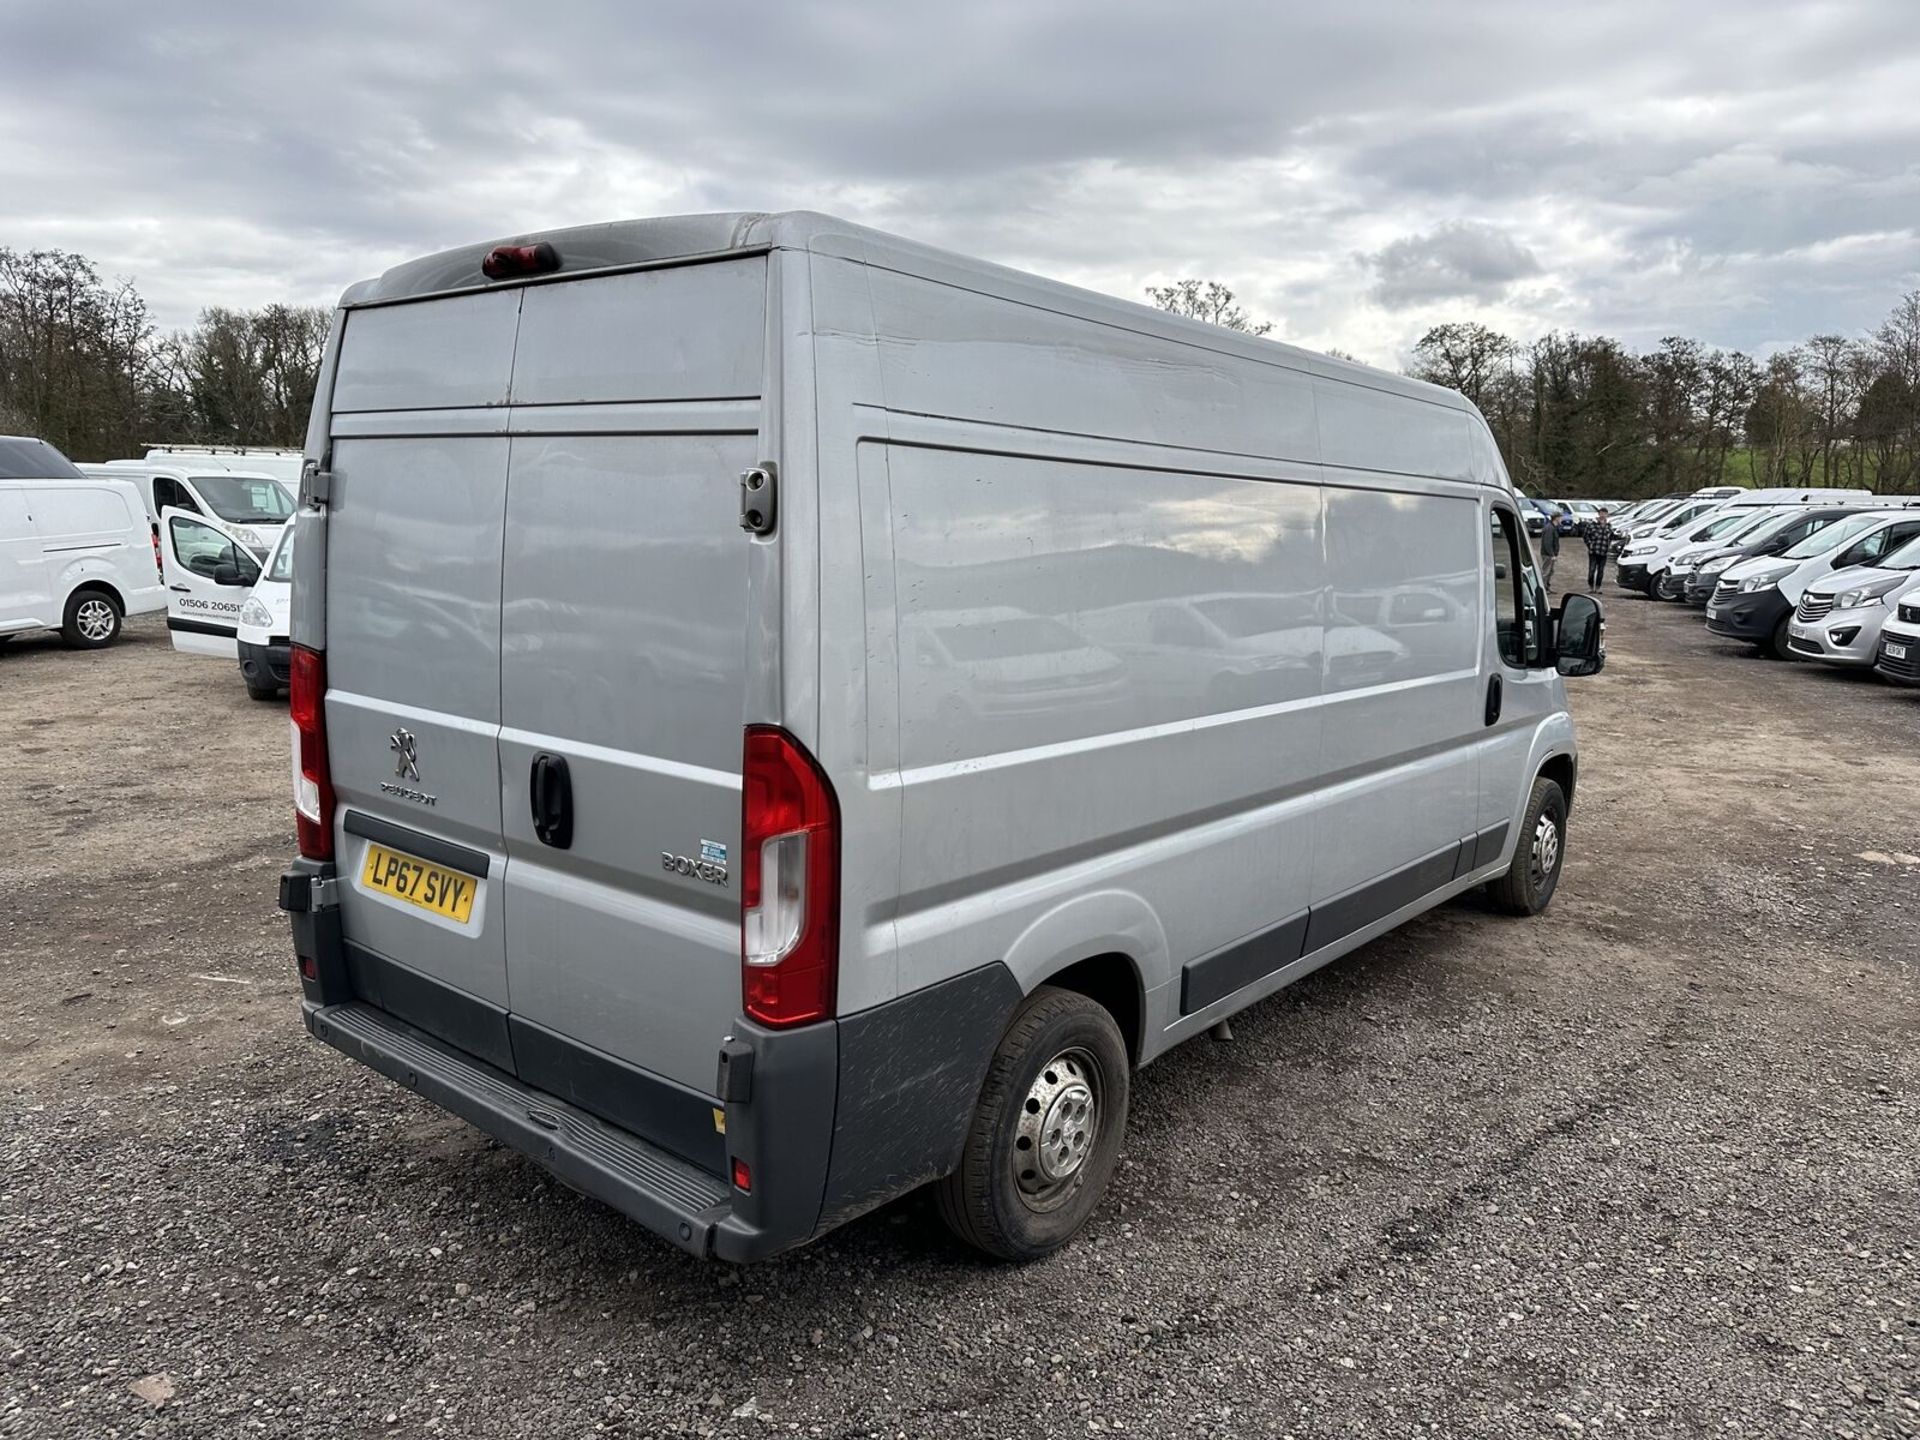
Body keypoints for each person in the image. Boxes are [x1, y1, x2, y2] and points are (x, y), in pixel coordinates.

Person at [1576, 508, 1620, 590]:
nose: (1603, 515)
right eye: (1601, 513)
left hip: (1604, 551)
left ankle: (1598, 587)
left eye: (1605, 513)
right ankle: (1591, 586)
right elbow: (1585, 536)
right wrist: (1590, 544)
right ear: (1598, 514)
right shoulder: (1592, 524)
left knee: (1601, 571)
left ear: (1607, 515)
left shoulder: (1609, 526)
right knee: (1592, 570)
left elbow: (1611, 536)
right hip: (1593, 551)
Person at [1536, 508, 1560, 590]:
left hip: (1550, 554)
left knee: (1550, 571)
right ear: (1556, 518)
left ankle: (1546, 587)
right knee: (1546, 572)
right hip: (1547, 554)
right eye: (1560, 517)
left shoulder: (1553, 527)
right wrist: (1552, 554)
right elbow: (1547, 543)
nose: (1561, 519)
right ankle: (1542, 589)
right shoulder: (1550, 528)